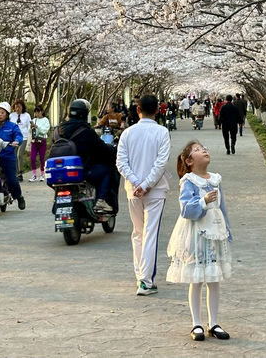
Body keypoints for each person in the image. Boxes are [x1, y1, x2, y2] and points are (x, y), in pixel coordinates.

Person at [167, 141, 232, 341]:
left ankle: (214, 323)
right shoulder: (189, 181)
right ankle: (196, 323)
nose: (204, 150)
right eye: (197, 150)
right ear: (189, 161)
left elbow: (223, 208)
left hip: (215, 234)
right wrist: (203, 202)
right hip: (196, 235)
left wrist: (227, 229)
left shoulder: (215, 179)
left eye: (204, 147)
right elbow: (186, 209)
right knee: (196, 280)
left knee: (213, 279)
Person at [116, 94, 171, 296]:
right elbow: (161, 163)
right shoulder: (162, 132)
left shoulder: (128, 133)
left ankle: (140, 276)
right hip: (155, 191)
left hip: (133, 190)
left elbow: (121, 163)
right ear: (157, 110)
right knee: (150, 233)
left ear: (137, 110)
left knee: (138, 233)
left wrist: (137, 183)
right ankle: (146, 281)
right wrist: (147, 184)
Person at [57, 98, 119, 214]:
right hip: (83, 171)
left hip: (60, 172)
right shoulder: (86, 132)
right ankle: (101, 200)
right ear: (85, 114)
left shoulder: (58, 130)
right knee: (107, 171)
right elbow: (102, 149)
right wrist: (113, 149)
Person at [10, 99, 32, 181]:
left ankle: (20, 173)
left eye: (19, 107)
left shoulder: (26, 115)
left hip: (23, 138)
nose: (18, 109)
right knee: (14, 156)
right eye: (16, 107)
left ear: (22, 107)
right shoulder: (11, 116)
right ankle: (15, 173)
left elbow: (30, 126)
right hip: (13, 138)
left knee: (19, 155)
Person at [29, 104, 51, 181]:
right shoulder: (34, 120)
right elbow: (30, 131)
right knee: (32, 158)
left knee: (42, 158)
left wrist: (37, 126)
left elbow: (45, 131)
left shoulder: (45, 120)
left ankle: (42, 174)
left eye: (38, 112)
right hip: (34, 141)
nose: (37, 114)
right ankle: (34, 174)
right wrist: (32, 128)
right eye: (36, 112)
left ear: (41, 112)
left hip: (42, 141)